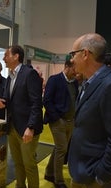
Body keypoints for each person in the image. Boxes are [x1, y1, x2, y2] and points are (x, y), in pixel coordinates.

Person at [68, 33, 111, 188]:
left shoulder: (110, 86)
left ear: (85, 54)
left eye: (73, 54)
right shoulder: (88, 82)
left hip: (94, 176)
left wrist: (100, 177)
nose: (71, 60)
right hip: (81, 170)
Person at [0, 45, 43, 188]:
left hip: (27, 128)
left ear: (16, 56)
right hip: (13, 127)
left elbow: (36, 103)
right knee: (17, 163)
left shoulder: (29, 74)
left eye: (6, 55)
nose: (3, 58)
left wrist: (31, 127)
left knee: (29, 164)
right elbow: (9, 99)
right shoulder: (10, 76)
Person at [43, 59, 78, 188]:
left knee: (60, 147)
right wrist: (56, 118)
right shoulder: (54, 79)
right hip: (58, 121)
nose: (76, 72)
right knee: (62, 149)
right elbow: (46, 100)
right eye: (74, 69)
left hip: (71, 121)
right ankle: (59, 180)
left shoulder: (74, 83)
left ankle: (49, 172)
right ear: (67, 67)